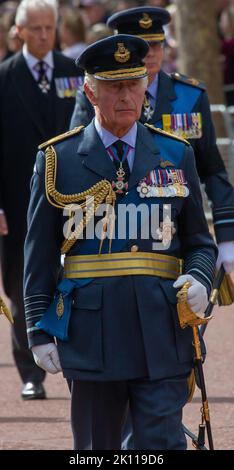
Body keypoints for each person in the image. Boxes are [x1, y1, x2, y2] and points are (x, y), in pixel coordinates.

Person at [24, 33, 217, 450]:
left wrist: (201, 278)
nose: (125, 95)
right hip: (92, 336)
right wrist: (38, 331)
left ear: (145, 86)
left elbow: (199, 242)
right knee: (97, 449)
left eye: (133, 83)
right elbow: (38, 255)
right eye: (113, 87)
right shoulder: (58, 161)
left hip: (161, 330)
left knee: (161, 447)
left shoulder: (174, 153)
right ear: (90, 91)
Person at [70, 6, 234, 275]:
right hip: (116, 228)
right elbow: (79, 157)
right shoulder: (97, 95)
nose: (152, 54)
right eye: (144, 47)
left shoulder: (189, 96)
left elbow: (212, 168)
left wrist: (227, 233)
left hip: (178, 225)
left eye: (157, 45)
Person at [0, 0, 82, 400]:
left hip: (74, 199)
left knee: (80, 279)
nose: (44, 35)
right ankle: (31, 371)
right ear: (19, 32)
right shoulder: (4, 78)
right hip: (18, 204)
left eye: (49, 27)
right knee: (21, 284)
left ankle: (82, 361)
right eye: (35, 29)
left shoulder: (74, 73)